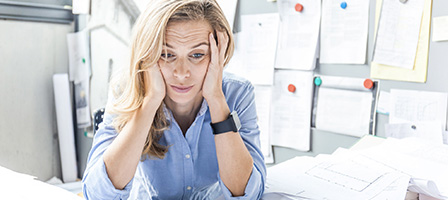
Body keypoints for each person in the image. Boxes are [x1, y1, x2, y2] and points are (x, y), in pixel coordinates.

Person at [82, 0, 266, 199]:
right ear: (147, 54)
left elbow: (248, 194)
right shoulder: (125, 90)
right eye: (166, 54)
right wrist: (151, 101)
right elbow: (97, 195)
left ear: (218, 53)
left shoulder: (237, 93)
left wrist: (216, 99)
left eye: (197, 55)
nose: (181, 73)